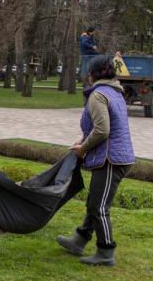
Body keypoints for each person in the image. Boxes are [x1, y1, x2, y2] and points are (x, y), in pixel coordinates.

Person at [56, 54, 135, 266]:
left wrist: (83, 148)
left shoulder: (98, 95)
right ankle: (79, 240)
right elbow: (101, 125)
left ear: (92, 74)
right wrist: (83, 139)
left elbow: (103, 129)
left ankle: (106, 252)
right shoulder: (115, 92)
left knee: (99, 206)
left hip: (111, 159)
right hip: (114, 156)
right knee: (95, 202)